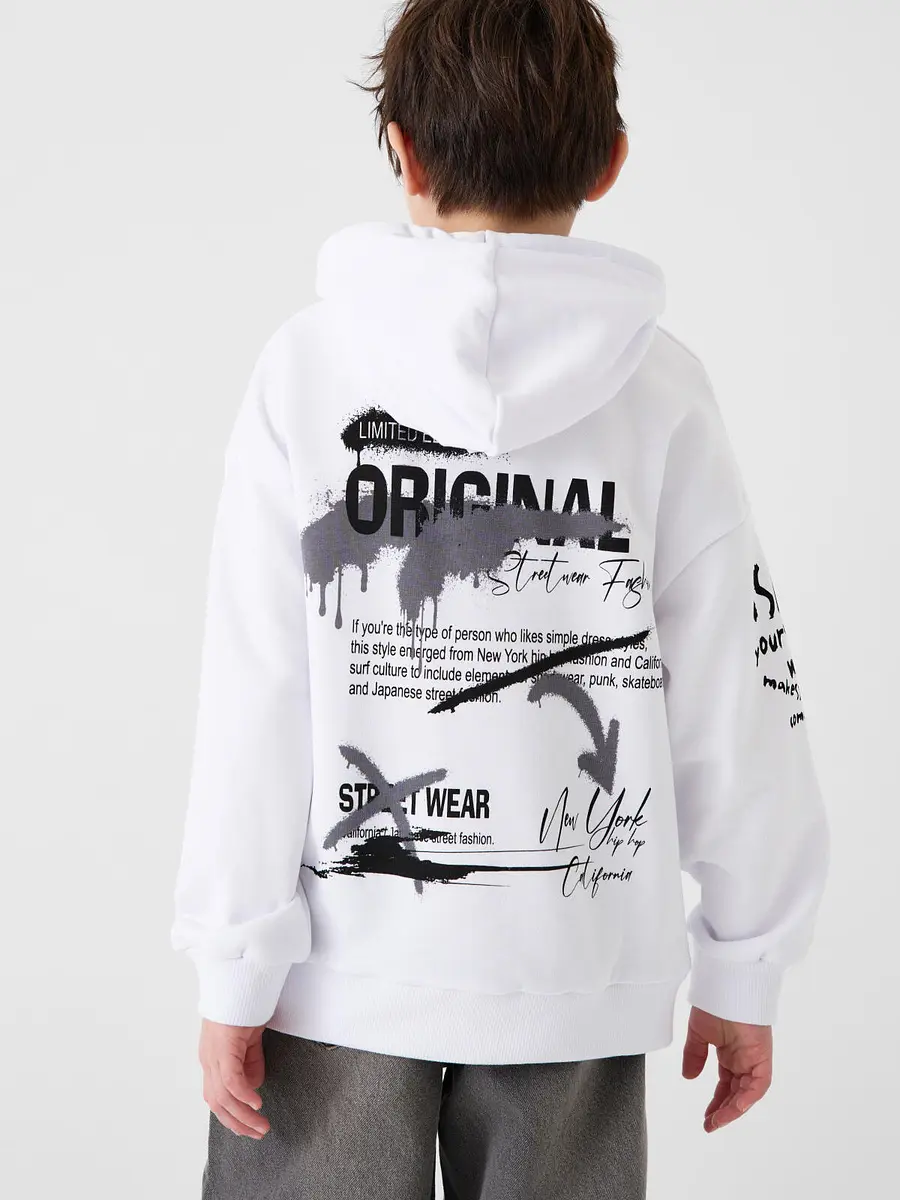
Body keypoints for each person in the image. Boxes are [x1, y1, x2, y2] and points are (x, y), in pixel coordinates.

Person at [170, 2, 830, 1196]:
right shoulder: (663, 394)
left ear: (404, 152)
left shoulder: (308, 371)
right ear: (609, 162)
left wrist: (233, 956)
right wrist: (746, 959)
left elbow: (256, 687)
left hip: (335, 969)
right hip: (573, 963)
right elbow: (740, 686)